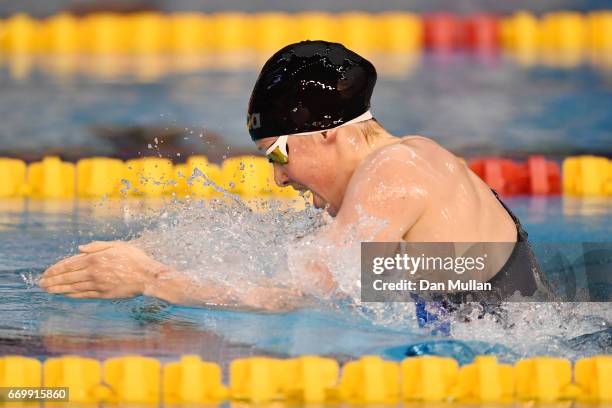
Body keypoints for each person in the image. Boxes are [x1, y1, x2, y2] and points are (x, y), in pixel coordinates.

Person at [39, 40, 544, 311]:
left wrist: (148, 280)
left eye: (277, 155)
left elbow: (296, 297)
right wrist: (153, 249)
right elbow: (269, 255)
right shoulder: (391, 178)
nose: (279, 179)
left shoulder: (397, 171)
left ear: (329, 132)